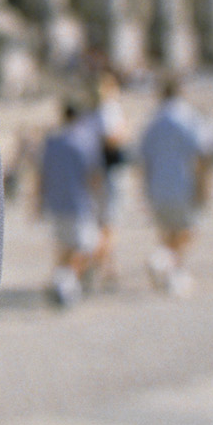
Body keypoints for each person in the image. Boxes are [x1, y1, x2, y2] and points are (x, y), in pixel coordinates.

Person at [138, 76, 213, 297]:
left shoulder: (152, 120)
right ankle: (165, 261)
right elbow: (202, 152)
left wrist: (144, 189)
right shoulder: (188, 117)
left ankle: (170, 269)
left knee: (167, 231)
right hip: (182, 183)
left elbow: (144, 159)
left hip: (157, 186)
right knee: (187, 230)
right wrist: (204, 185)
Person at [34, 102, 105, 307]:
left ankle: (62, 282)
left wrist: (38, 201)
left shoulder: (52, 142)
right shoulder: (85, 141)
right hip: (79, 202)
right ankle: (64, 283)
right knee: (83, 247)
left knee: (64, 247)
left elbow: (42, 174)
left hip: (56, 203)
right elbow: (94, 175)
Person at [89, 69, 130, 290]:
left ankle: (107, 266)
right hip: (110, 171)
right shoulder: (109, 110)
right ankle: (87, 264)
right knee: (109, 224)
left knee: (102, 221)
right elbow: (112, 138)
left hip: (98, 172)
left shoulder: (93, 111)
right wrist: (125, 133)